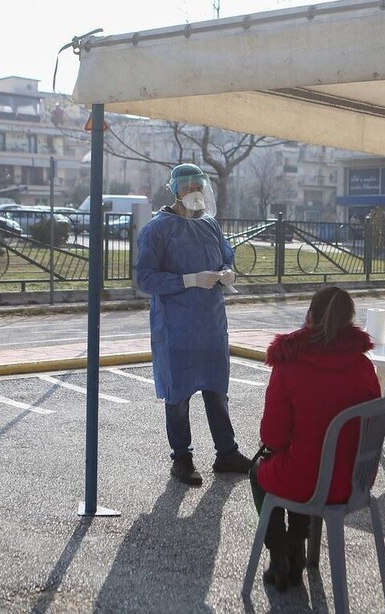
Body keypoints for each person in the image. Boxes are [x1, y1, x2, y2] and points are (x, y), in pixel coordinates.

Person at [250, 287, 381, 591]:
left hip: (306, 480)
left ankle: (279, 549)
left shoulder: (289, 363)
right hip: (354, 482)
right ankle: (297, 545)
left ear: (308, 317)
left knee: (262, 469)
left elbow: (273, 437)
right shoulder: (363, 365)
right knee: (299, 466)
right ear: (350, 322)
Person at [135, 163, 253, 486]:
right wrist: (187, 280)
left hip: (211, 324)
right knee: (179, 395)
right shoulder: (156, 230)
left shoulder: (210, 226)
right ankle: (182, 458)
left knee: (217, 390)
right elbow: (144, 277)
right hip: (176, 328)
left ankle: (226, 452)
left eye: (199, 188)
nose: (195, 194)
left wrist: (227, 271)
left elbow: (226, 256)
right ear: (176, 191)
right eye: (189, 188)